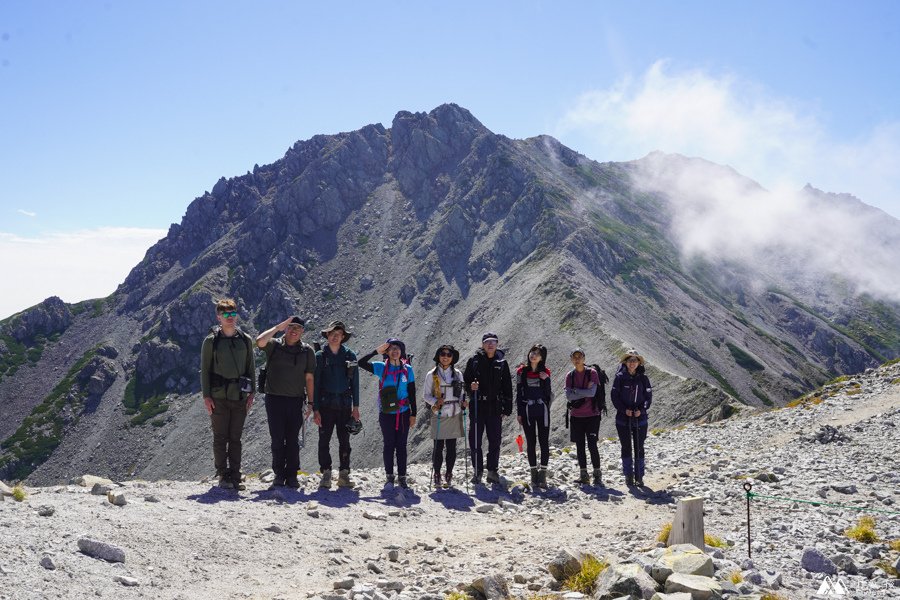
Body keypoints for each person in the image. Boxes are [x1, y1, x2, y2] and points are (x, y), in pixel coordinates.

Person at [199, 298, 256, 490]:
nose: (230, 318)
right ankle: (223, 475)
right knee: (220, 437)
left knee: (235, 438)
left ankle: (236, 475)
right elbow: (205, 369)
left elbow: (251, 367)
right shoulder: (211, 342)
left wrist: (252, 393)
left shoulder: (245, 340)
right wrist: (206, 396)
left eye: (232, 314)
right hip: (218, 396)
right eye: (226, 315)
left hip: (239, 396)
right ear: (219, 317)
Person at [256, 316, 316, 488]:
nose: (294, 331)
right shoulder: (274, 345)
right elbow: (259, 341)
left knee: (292, 439)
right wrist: (277, 327)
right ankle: (279, 474)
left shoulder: (307, 351)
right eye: (290, 327)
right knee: (277, 438)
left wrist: (311, 403)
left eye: (298, 328)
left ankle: (292, 475)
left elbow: (309, 378)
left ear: (302, 331)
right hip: (274, 400)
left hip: (296, 400)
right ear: (286, 328)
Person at [359, 338, 417, 488]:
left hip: (404, 412)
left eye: (397, 348)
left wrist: (413, 414)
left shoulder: (408, 369)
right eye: (391, 348)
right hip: (386, 414)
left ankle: (402, 477)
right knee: (389, 444)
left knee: (402, 445)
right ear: (387, 352)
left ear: (401, 351)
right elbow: (361, 362)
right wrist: (375, 351)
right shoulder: (381, 367)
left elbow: (412, 393)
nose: (395, 351)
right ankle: (390, 476)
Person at [313, 321, 360, 489]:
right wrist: (315, 409)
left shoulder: (350, 355)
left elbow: (355, 382)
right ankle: (326, 473)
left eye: (338, 334)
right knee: (323, 440)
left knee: (344, 440)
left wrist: (356, 407)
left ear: (342, 337)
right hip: (325, 405)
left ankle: (344, 474)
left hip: (345, 405)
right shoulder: (319, 356)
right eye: (332, 333)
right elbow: (316, 384)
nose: (335, 336)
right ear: (327, 335)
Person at [463, 332, 512, 485]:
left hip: (495, 406)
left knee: (495, 440)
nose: (490, 344)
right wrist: (471, 388)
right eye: (487, 342)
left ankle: (492, 471)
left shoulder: (502, 362)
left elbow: (507, 386)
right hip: (478, 405)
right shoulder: (474, 361)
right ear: (483, 345)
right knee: (475, 439)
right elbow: (466, 382)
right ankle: (477, 471)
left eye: (493, 342)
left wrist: (507, 408)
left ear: (497, 344)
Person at [423, 344, 467, 489]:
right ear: (438, 356)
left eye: (449, 354)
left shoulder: (458, 374)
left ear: (452, 358)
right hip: (439, 411)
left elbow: (460, 393)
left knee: (451, 446)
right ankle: (437, 473)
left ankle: (449, 473)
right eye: (443, 354)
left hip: (454, 411)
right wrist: (436, 401)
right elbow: (426, 395)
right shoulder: (432, 375)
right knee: (438, 446)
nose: (446, 357)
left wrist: (463, 402)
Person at [610, 349, 652, 487]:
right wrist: (624, 410)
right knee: (626, 447)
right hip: (623, 418)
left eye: (635, 360)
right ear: (626, 362)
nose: (632, 363)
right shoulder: (620, 377)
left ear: (639, 362)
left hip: (640, 418)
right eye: (630, 360)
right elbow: (614, 397)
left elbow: (648, 397)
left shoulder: (643, 379)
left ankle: (639, 476)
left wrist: (641, 410)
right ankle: (628, 475)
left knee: (639, 447)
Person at [564, 348, 606, 486]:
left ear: (584, 358)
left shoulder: (592, 373)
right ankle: (584, 474)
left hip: (592, 415)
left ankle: (597, 474)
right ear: (571, 359)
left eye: (579, 356)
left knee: (592, 445)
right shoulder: (569, 376)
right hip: (576, 416)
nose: (577, 359)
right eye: (574, 357)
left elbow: (592, 393)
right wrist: (584, 391)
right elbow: (569, 396)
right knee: (580, 446)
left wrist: (576, 390)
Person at [516, 344, 552, 489]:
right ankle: (533, 474)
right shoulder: (521, 372)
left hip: (542, 410)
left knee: (544, 442)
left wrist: (547, 379)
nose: (534, 355)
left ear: (542, 357)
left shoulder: (546, 372)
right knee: (531, 442)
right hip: (527, 410)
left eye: (537, 353)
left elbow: (548, 393)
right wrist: (519, 412)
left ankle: (542, 475)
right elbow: (519, 393)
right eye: (532, 352)